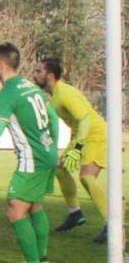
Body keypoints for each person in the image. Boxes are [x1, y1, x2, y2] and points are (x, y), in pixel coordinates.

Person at [0, 43, 58, 263]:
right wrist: (53, 145)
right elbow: (52, 117)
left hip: (33, 159)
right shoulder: (31, 86)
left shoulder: (7, 94)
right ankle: (41, 259)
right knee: (35, 206)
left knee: (15, 209)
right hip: (47, 153)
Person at [31, 58, 110, 243]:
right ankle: (75, 213)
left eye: (38, 71)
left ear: (49, 75)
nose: (34, 75)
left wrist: (78, 148)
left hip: (96, 135)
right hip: (79, 137)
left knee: (86, 177)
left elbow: (85, 120)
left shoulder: (65, 93)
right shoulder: (53, 95)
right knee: (59, 168)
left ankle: (112, 223)